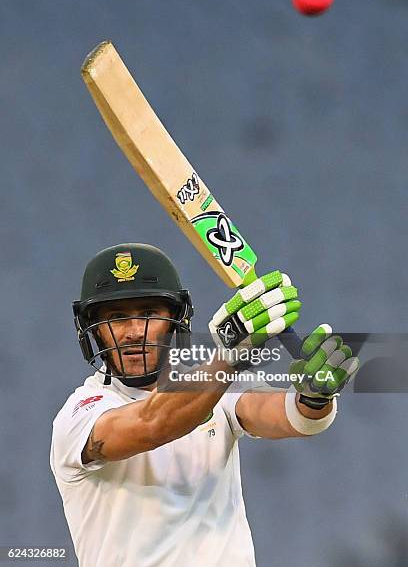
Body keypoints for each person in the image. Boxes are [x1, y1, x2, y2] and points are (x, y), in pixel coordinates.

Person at [50, 243, 359, 567]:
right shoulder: (80, 414)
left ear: (175, 321)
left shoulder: (215, 388)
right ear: (94, 331)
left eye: (148, 314)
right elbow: (152, 423)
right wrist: (228, 354)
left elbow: (289, 416)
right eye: (117, 317)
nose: (132, 333)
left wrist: (314, 396)